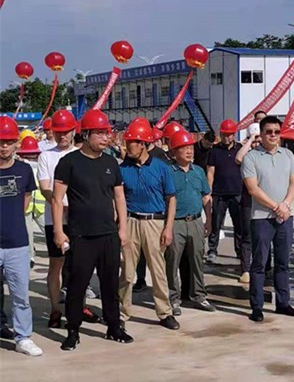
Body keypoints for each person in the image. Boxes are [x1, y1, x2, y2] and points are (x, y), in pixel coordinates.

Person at [53, 109, 133, 350]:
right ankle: (73, 330)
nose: (105, 138)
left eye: (106, 133)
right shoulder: (69, 163)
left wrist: (123, 228)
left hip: (108, 234)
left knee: (110, 284)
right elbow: (57, 200)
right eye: (99, 133)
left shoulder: (111, 163)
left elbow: (119, 197)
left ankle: (114, 326)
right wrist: (59, 231)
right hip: (81, 235)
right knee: (77, 285)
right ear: (86, 135)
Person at [38, 110, 100, 328]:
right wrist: (59, 204)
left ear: (74, 131)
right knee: (56, 264)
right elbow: (45, 187)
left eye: (65, 132)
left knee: (81, 265)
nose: (62, 136)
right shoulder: (46, 156)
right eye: (58, 132)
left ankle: (80, 306)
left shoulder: (83, 154)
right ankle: (56, 309)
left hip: (79, 219)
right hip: (55, 220)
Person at [118, 118, 179, 331]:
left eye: (132, 142)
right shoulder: (122, 169)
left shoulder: (161, 168)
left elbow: (171, 198)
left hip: (155, 222)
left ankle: (165, 312)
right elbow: (117, 198)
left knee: (157, 269)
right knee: (127, 271)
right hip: (131, 221)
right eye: (127, 142)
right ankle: (122, 312)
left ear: (143, 143)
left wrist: (168, 228)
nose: (128, 146)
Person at [241, 116, 294, 322]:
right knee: (259, 263)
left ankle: (283, 302)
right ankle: (257, 306)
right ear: (261, 134)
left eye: (276, 131)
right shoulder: (251, 158)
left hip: (285, 216)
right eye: (269, 132)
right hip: (262, 218)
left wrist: (286, 205)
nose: (273, 135)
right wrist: (276, 206)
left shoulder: (288, 155)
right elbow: (252, 189)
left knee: (283, 262)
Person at [0, 116, 43, 356]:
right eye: (0, 142)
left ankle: (23, 337)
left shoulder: (24, 170)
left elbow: (25, 201)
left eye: (8, 142)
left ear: (16, 143)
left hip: (16, 243)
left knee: (20, 295)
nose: (4, 146)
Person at [165, 130, 216, 314]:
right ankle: (173, 298)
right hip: (175, 223)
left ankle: (199, 296)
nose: (189, 151)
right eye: (183, 148)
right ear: (174, 151)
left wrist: (208, 220)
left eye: (190, 147)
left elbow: (206, 196)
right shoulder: (168, 172)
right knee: (172, 261)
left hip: (195, 221)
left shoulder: (199, 172)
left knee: (197, 260)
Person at [206, 119, 243, 265]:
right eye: (224, 134)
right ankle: (212, 250)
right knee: (216, 223)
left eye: (229, 134)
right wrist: (209, 192)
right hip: (219, 193)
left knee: (239, 225)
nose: (227, 137)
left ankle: (240, 251)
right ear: (220, 134)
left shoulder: (240, 149)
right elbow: (210, 172)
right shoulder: (214, 151)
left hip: (237, 192)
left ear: (234, 134)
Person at [235, 123, 262, 284]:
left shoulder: (266, 155)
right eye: (254, 141)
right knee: (247, 236)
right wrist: (250, 139)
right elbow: (238, 158)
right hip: (248, 200)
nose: (257, 143)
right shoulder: (247, 156)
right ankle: (245, 269)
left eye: (259, 140)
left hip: (264, 200)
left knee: (262, 236)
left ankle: (262, 267)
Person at [16, 136, 44, 268]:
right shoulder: (22, 168)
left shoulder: (39, 166)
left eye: (33, 155)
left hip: (39, 206)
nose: (31, 158)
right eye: (28, 155)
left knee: (48, 232)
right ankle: (29, 257)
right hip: (28, 206)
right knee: (27, 234)